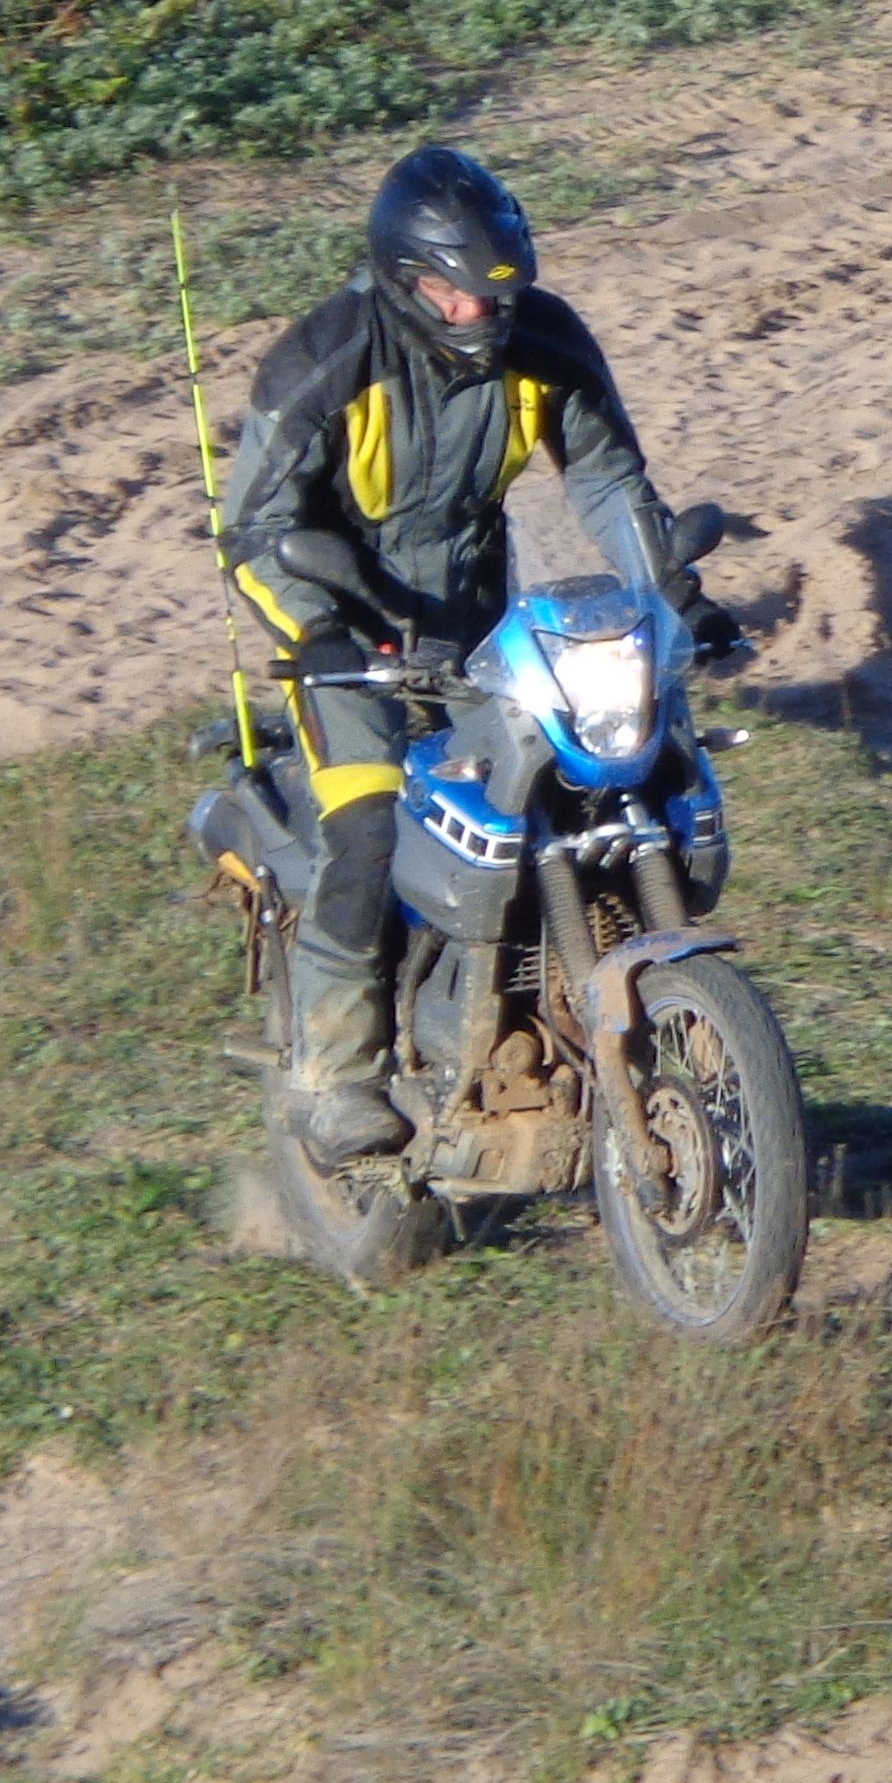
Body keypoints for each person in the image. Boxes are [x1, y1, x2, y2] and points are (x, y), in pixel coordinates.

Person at [219, 145, 714, 1161]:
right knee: (364, 829)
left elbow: (611, 485)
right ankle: (339, 1075)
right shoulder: (326, 359)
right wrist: (315, 629)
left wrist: (674, 601)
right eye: (455, 298)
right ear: (404, 282)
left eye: (498, 297)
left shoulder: (547, 342)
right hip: (346, 638)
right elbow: (256, 533)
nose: (481, 318)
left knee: (603, 790)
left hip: (487, 626)